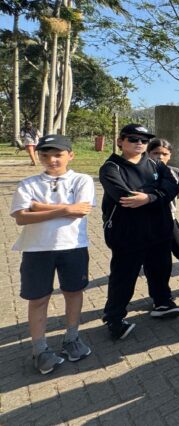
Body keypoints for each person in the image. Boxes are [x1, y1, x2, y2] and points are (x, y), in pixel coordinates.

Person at [10, 134, 95, 374]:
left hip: (73, 246)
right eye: (45, 155)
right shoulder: (27, 184)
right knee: (38, 299)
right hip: (37, 249)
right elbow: (21, 217)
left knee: (73, 293)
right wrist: (65, 208)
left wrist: (39, 206)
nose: (52, 160)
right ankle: (40, 349)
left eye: (58, 154)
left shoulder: (82, 180)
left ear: (70, 155)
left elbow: (81, 211)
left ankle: (72, 338)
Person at [99, 124, 179, 341]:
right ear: (120, 141)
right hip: (127, 234)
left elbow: (172, 187)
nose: (139, 144)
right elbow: (124, 197)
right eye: (133, 139)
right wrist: (158, 194)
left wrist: (148, 197)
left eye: (144, 141)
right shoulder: (111, 168)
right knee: (124, 276)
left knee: (160, 269)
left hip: (159, 230)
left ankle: (162, 301)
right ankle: (114, 318)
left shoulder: (155, 163)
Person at [147, 138, 179, 279]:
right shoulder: (143, 172)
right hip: (148, 221)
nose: (160, 156)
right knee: (155, 258)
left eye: (164, 153)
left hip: (170, 219)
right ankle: (160, 294)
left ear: (170, 155)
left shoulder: (177, 172)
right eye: (155, 153)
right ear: (148, 153)